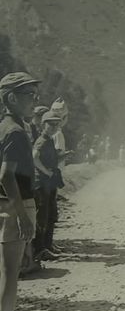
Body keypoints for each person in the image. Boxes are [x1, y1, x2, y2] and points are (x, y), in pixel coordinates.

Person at [0, 72, 42, 311]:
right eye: (29, 95)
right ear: (12, 98)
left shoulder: (5, 126)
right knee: (11, 271)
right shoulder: (15, 131)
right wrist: (22, 214)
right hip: (15, 204)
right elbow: (6, 175)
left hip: (5, 204)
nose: (34, 100)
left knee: (6, 269)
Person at [32, 111, 68, 261]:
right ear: (43, 125)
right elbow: (34, 157)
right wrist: (46, 172)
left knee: (50, 214)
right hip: (42, 183)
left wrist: (62, 156)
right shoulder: (42, 140)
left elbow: (47, 158)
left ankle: (47, 246)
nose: (54, 126)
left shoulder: (50, 139)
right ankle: (40, 249)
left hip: (49, 182)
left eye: (56, 124)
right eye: (50, 124)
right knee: (42, 216)